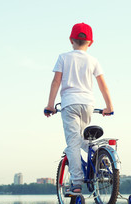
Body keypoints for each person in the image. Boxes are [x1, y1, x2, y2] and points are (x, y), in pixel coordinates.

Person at [44, 22, 113, 194]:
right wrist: (109, 106)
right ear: (91, 42)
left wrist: (50, 105)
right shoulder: (93, 60)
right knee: (85, 138)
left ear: (70, 40)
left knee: (73, 144)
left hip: (70, 104)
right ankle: (101, 158)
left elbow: (56, 82)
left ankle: (76, 182)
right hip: (88, 105)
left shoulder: (64, 57)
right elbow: (103, 85)